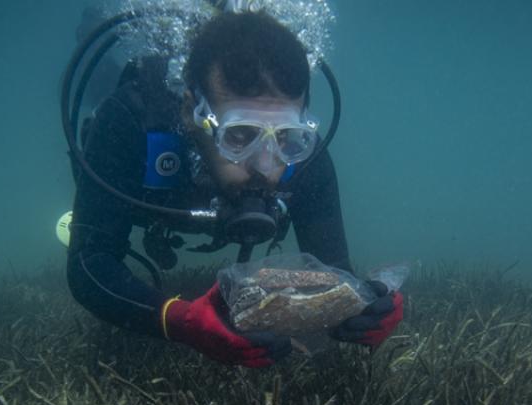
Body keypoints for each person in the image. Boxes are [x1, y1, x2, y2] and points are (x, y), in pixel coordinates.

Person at [65, 8, 403, 368]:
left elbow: (334, 272)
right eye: (240, 135)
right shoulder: (130, 121)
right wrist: (180, 321)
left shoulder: (306, 158)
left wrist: (361, 306)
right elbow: (89, 263)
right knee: (104, 85)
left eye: (286, 137)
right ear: (192, 112)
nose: (266, 166)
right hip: (134, 134)